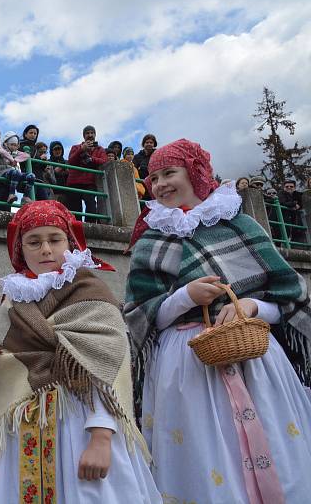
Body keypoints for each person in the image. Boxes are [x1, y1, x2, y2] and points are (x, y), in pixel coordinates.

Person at [124, 139, 311, 503]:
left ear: (195, 174)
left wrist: (253, 308)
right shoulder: (151, 240)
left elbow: (289, 295)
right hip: (188, 365)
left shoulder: (242, 226)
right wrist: (184, 298)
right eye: (154, 177)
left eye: (169, 173)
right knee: (207, 455)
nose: (160, 184)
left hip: (255, 357)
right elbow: (142, 317)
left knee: (278, 444)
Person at [0, 200, 160, 503]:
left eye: (54, 239)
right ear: (20, 250)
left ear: (70, 243)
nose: (46, 249)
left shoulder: (91, 292)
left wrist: (102, 436)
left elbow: (107, 366)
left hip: (81, 423)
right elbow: (1, 375)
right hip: (25, 431)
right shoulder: (12, 302)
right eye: (33, 242)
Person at [65, 125, 107, 220]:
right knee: (75, 210)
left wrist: (91, 159)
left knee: (91, 206)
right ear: (84, 136)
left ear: (95, 135)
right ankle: (77, 229)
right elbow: (71, 161)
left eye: (92, 133)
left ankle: (91, 228)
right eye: (87, 133)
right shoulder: (76, 147)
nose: (90, 135)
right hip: (74, 182)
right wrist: (81, 150)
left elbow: (104, 162)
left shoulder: (100, 149)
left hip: (90, 183)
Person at [0, 131, 36, 205]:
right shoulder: (2, 149)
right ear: (6, 144)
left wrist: (16, 160)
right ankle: (11, 194)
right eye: (12, 145)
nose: (13, 147)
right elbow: (1, 151)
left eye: (15, 145)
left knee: (31, 176)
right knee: (16, 172)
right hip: (4, 173)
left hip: (16, 173)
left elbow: (27, 155)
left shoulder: (16, 152)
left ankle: (26, 197)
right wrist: (12, 159)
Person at [278, 179, 305, 244]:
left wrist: (298, 205)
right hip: (284, 219)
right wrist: (294, 204)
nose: (289, 188)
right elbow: (283, 203)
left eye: (291, 186)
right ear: (284, 188)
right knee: (285, 237)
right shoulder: (281, 193)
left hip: (295, 221)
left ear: (295, 188)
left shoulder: (298, 194)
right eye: (287, 186)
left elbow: (302, 204)